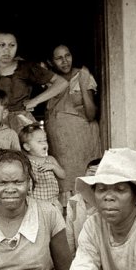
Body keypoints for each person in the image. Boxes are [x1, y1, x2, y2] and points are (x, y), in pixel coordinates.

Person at [45, 44, 102, 205]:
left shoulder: (83, 76)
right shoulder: (50, 82)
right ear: (51, 62)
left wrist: (83, 86)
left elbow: (91, 114)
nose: (64, 61)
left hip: (82, 144)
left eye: (67, 55)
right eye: (59, 58)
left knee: (85, 190)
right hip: (60, 148)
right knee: (65, 192)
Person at [0, 29, 69, 133]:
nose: (7, 50)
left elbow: (62, 83)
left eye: (12, 45)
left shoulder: (26, 68)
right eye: (2, 45)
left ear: (17, 47)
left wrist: (35, 101)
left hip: (21, 123)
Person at [19, 122, 65, 213]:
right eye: (39, 141)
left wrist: (53, 167)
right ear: (27, 147)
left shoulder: (50, 159)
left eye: (45, 140)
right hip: (35, 204)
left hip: (53, 202)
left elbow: (63, 175)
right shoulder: (26, 162)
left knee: (56, 225)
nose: (44, 143)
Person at [65, 158, 100, 256]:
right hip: (81, 256)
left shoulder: (107, 203)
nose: (93, 176)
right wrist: (71, 256)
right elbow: (69, 233)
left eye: (97, 172)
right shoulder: (74, 202)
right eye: (91, 172)